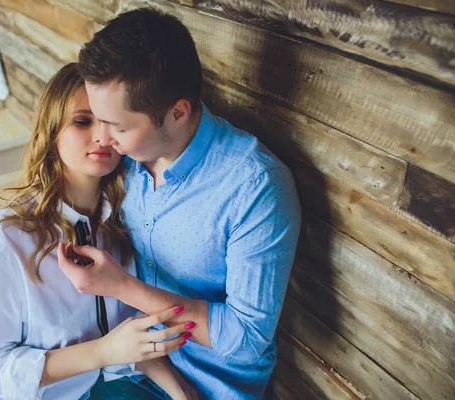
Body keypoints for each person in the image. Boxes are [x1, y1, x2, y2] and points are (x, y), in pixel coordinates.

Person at [56, 8, 302, 400]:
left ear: (177, 113)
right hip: (133, 364)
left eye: (118, 126)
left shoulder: (255, 187)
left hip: (213, 385)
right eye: (97, 120)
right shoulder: (124, 162)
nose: (104, 138)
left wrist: (121, 287)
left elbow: (247, 338)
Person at [0, 63, 198, 400]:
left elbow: (129, 341)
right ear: (51, 130)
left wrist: (183, 393)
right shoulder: (2, 239)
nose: (103, 137)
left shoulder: (124, 220)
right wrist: (103, 351)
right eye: (82, 121)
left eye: (111, 123)